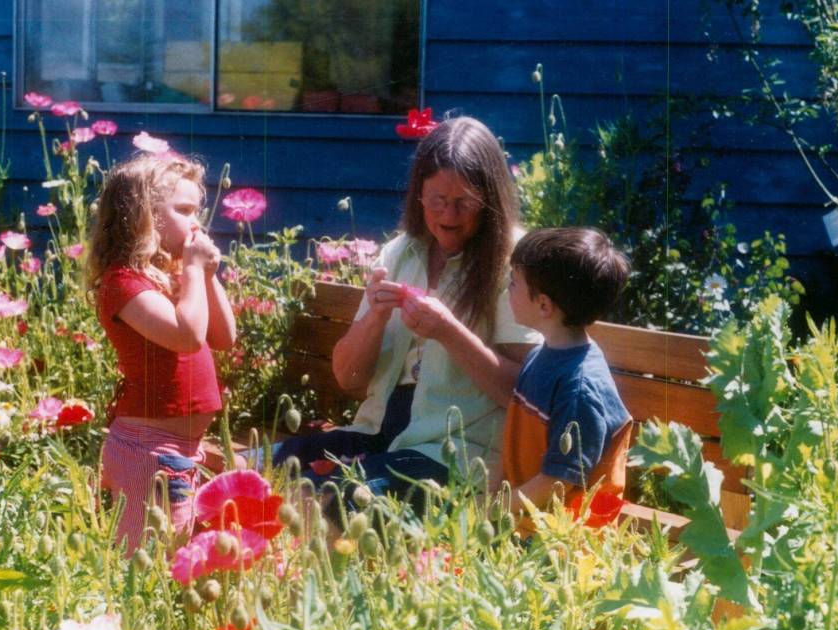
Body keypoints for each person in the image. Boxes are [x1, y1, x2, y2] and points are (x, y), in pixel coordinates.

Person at [273, 116, 541, 510]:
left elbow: (520, 395)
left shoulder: (514, 262)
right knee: (263, 469)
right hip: (380, 431)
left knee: (328, 500)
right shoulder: (400, 253)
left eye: (464, 202)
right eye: (437, 199)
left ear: (490, 200)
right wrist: (375, 319)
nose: (448, 215)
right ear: (418, 194)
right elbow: (348, 379)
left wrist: (449, 331)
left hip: (456, 453)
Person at [87, 153, 237, 554]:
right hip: (147, 448)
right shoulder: (123, 283)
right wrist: (190, 270)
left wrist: (204, 275)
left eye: (197, 210)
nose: (196, 222)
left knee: (172, 551)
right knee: (147, 560)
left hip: (181, 448)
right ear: (144, 215)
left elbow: (224, 337)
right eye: (184, 210)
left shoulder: (173, 278)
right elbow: (187, 337)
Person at [490, 227, 633, 518]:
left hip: (567, 544)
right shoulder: (542, 355)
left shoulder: (580, 387)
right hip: (525, 520)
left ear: (543, 305)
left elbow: (557, 484)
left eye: (514, 282)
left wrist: (488, 510)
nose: (507, 290)